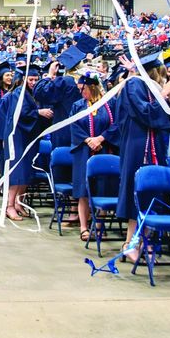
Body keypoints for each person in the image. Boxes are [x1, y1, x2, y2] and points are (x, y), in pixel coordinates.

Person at [116, 52, 170, 259]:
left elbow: (167, 120)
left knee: (154, 196)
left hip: (156, 146)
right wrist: (164, 95)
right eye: (161, 74)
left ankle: (147, 240)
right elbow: (144, 113)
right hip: (138, 146)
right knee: (137, 193)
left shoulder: (154, 88)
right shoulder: (134, 85)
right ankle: (130, 243)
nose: (163, 78)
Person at [0, 65, 53, 220]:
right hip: (17, 136)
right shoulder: (19, 93)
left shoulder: (31, 93)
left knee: (26, 172)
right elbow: (21, 113)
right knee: (17, 172)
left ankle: (18, 203)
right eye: (30, 79)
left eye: (36, 79)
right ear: (23, 79)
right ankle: (9, 206)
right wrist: (39, 112)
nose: (33, 82)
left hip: (28, 136)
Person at [69, 72, 117, 241]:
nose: (81, 92)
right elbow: (73, 125)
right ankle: (83, 227)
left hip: (104, 149)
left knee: (103, 188)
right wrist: (89, 139)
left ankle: (98, 226)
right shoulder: (77, 105)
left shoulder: (110, 104)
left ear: (91, 87)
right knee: (84, 190)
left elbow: (117, 124)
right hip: (83, 151)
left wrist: (101, 138)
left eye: (83, 89)